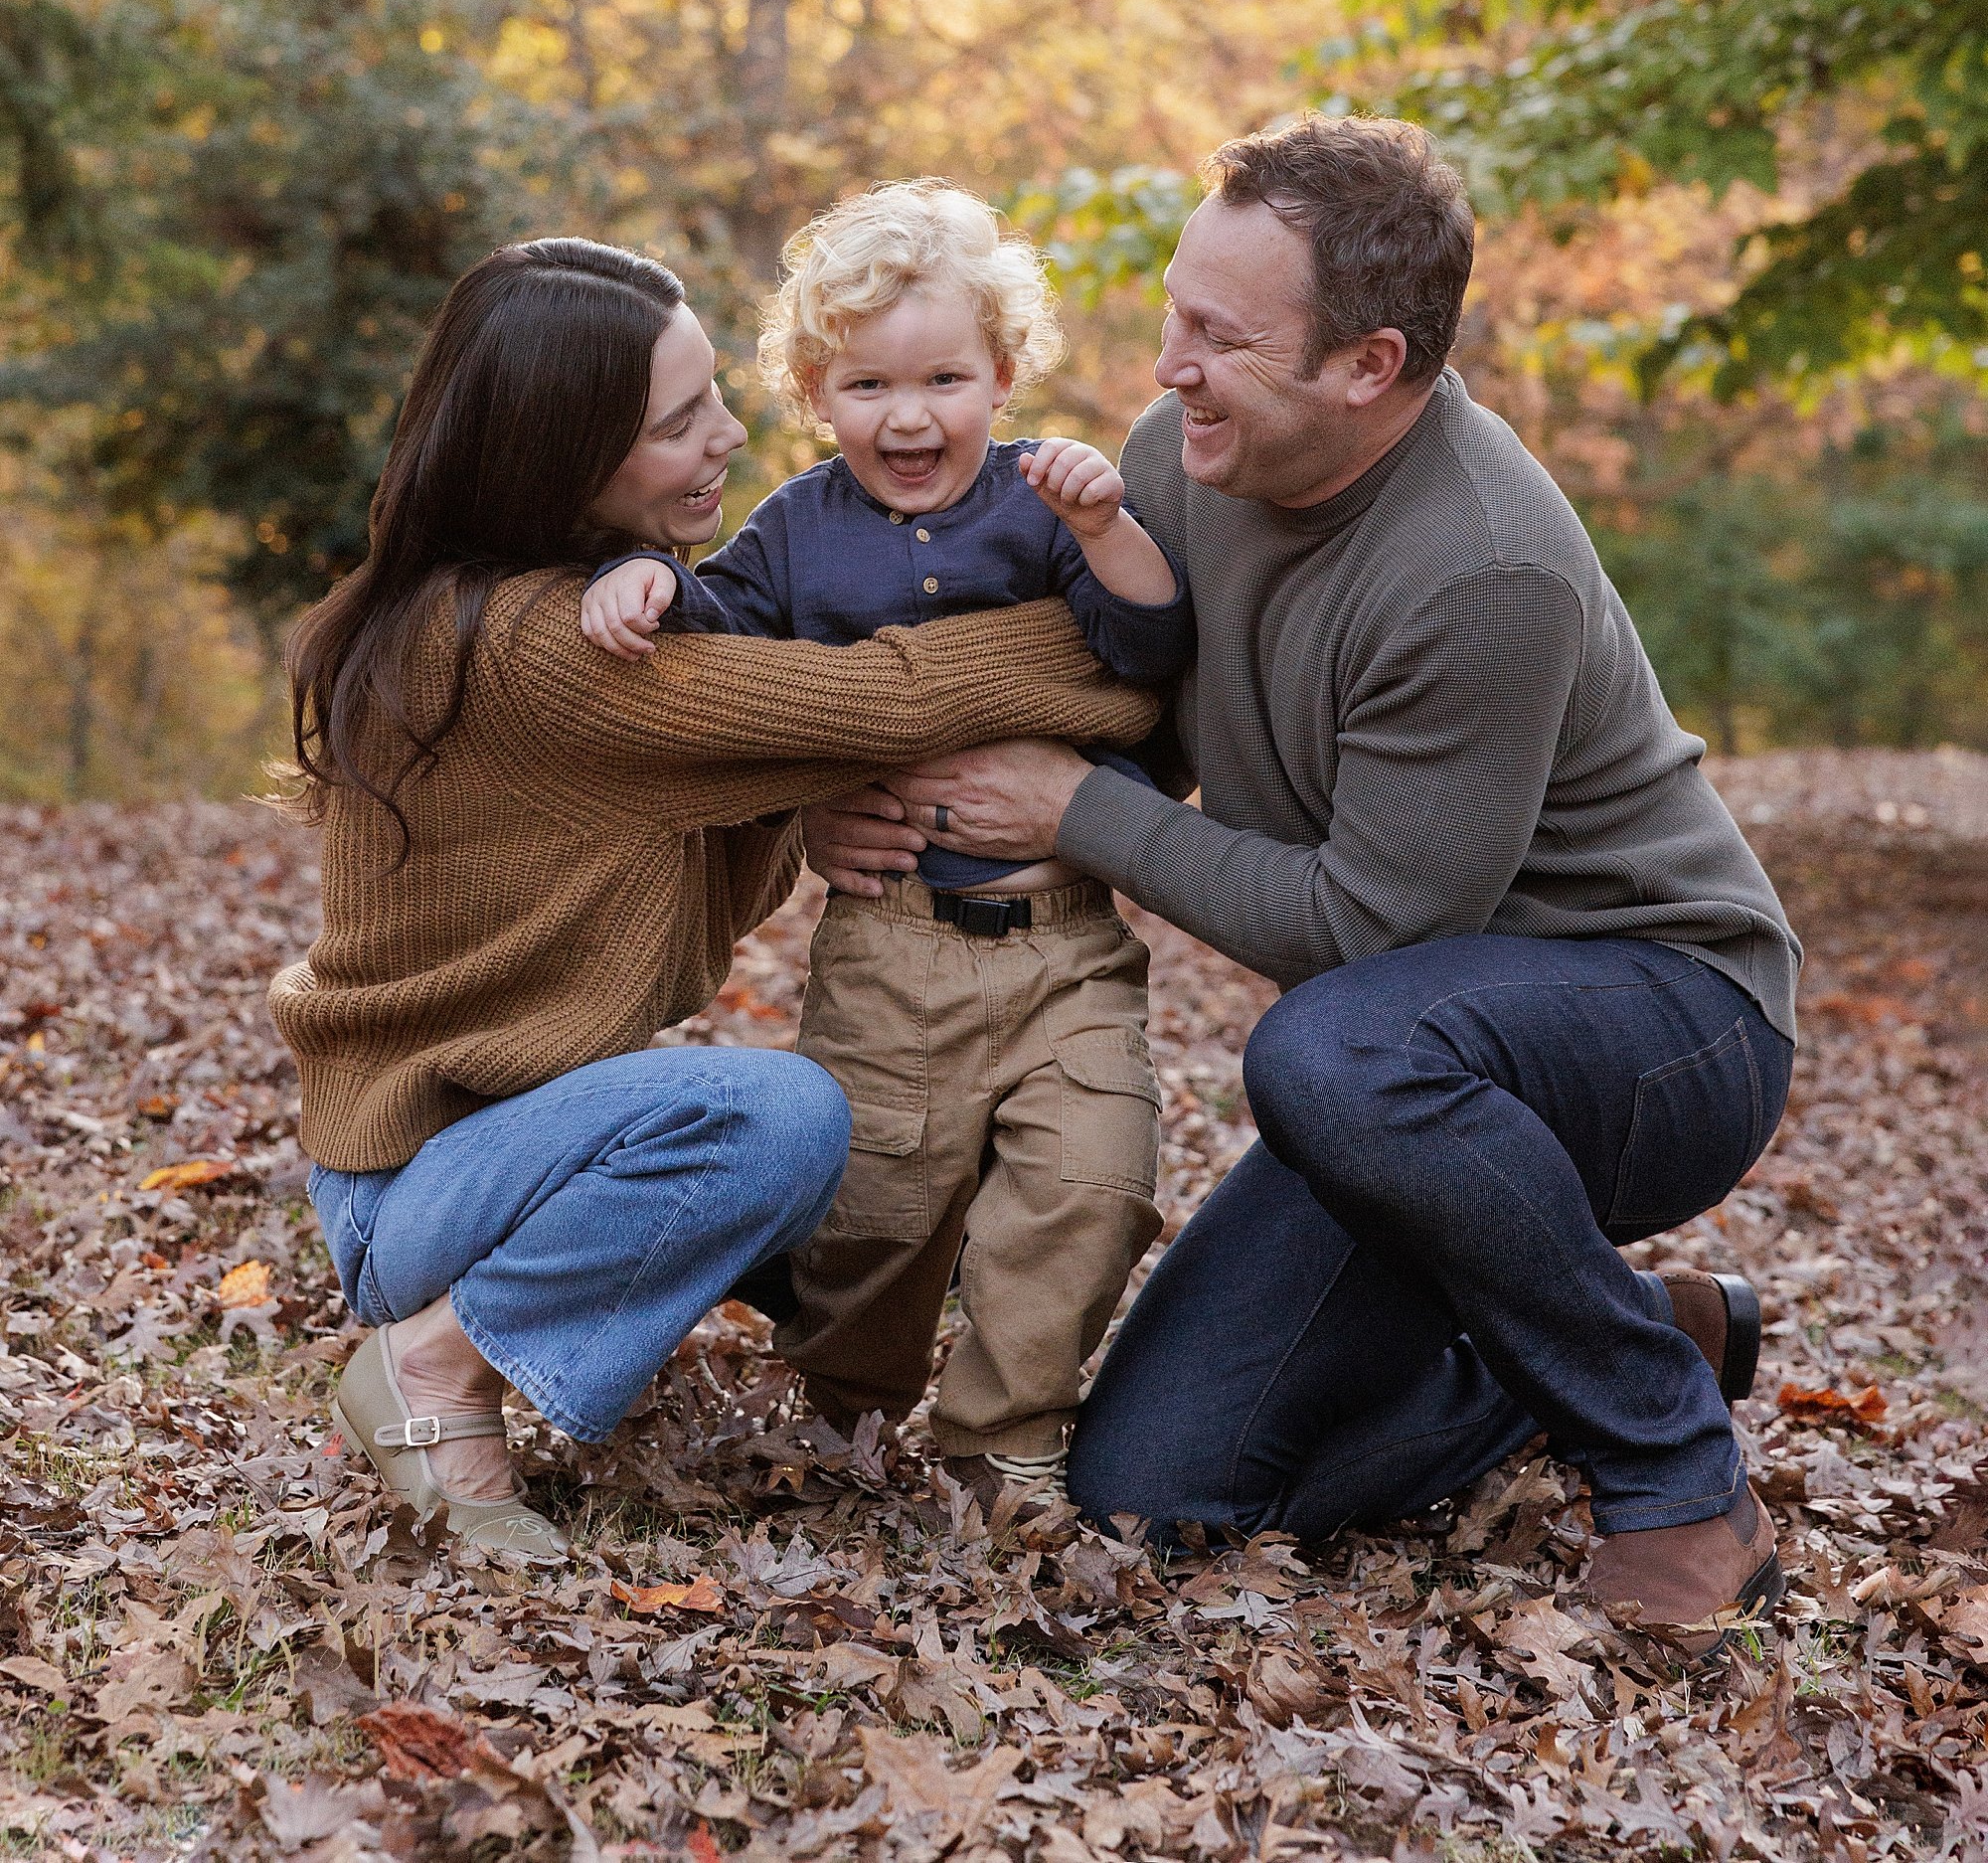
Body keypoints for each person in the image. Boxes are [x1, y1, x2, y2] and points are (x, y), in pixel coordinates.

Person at [805, 119, 1804, 1644]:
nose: (1166, 366)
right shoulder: (1177, 466)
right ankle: (1577, 1324)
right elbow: (1109, 717)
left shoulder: (1482, 564)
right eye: (1171, 313)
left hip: (1664, 1015)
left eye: (1219, 336)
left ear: (1368, 363)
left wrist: (1077, 811)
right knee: (1155, 1491)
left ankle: (1668, 1463)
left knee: (1325, 1045)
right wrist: (860, 798)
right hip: (1411, 1069)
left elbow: (1369, 931)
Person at [272, 236, 1156, 1564]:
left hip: (498, 1149)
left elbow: (686, 812)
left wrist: (797, 808)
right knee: (788, 1114)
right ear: (566, 457)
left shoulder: (565, 607)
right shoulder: (545, 647)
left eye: (713, 399)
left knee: (893, 1150)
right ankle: (437, 1366)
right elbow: (887, 699)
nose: (731, 434)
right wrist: (1111, 651)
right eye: (681, 420)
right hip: (424, 1185)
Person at [580, 183, 1191, 1509]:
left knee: (1093, 1181)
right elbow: (718, 643)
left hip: (1066, 940)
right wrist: (649, 585)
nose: (909, 416)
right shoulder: (799, 526)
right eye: (866, 383)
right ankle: (850, 1402)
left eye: (944, 377)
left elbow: (1151, 651)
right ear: (814, 388)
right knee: (877, 1211)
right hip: (892, 946)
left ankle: (1005, 1435)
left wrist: (1106, 527)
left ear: (1004, 373)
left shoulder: (1046, 503)